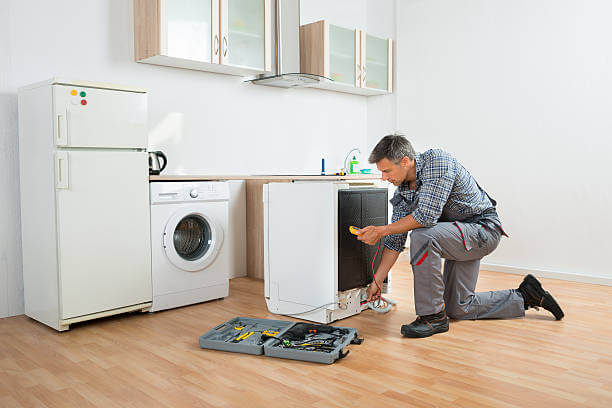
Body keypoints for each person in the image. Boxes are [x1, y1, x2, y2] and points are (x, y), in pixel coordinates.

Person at [357, 134, 564, 338]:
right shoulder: (402, 192)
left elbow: (425, 217)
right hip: (457, 235)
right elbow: (395, 240)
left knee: (422, 235)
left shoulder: (437, 162)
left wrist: (382, 230)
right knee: (458, 308)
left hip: (482, 230)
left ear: (405, 161)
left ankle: (432, 317)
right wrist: (378, 280)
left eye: (386, 171)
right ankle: (525, 296)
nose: (383, 177)